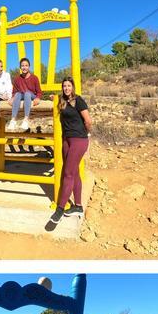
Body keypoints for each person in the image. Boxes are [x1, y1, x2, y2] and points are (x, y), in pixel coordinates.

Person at [46, 78, 93, 228]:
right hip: (66, 140)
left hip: (79, 140)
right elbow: (56, 100)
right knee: (75, 173)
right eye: (64, 86)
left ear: (72, 87)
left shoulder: (78, 100)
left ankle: (60, 210)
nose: (66, 88)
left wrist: (87, 135)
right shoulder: (62, 100)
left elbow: (88, 120)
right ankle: (78, 206)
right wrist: (53, 98)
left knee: (68, 174)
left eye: (69, 86)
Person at [6, 58, 42, 132]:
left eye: (26, 65)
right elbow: (14, 92)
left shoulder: (34, 78)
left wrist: (38, 98)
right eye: (22, 66)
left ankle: (26, 119)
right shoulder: (17, 79)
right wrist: (12, 98)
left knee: (27, 93)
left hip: (31, 96)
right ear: (20, 67)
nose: (24, 67)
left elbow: (39, 92)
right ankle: (13, 120)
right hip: (21, 95)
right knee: (18, 94)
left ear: (29, 67)